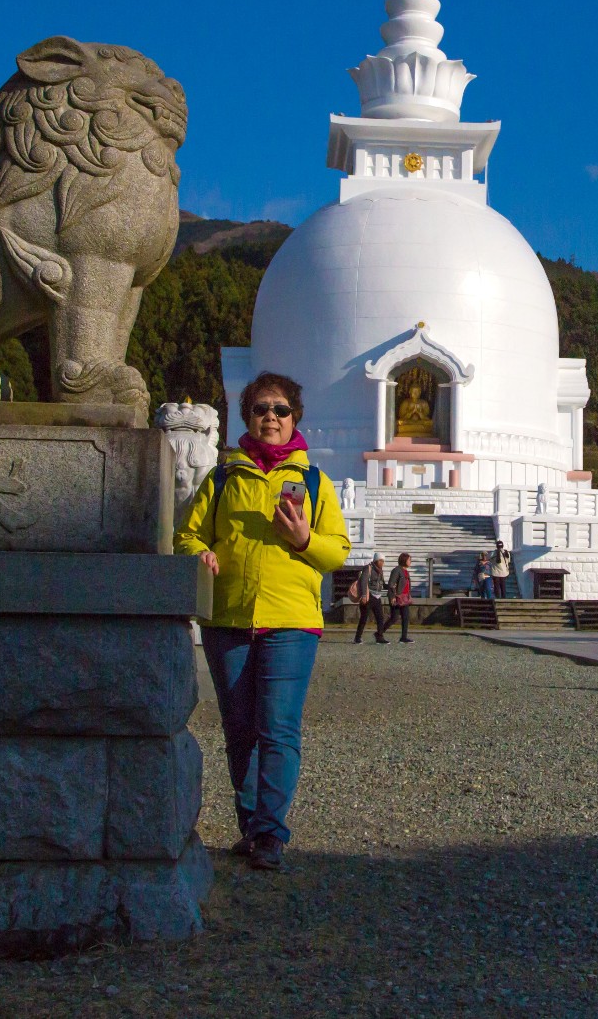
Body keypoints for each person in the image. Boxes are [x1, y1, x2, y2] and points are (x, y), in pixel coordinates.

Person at [177, 372, 351, 871]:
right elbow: (187, 534)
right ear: (246, 416)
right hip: (229, 618)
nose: (270, 417)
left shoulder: (314, 483)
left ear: (295, 418)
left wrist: (302, 539)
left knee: (277, 728)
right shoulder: (223, 477)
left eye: (279, 409)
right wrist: (201, 553)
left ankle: (271, 833)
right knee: (239, 730)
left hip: (291, 620)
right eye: (260, 409)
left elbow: (338, 551)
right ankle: (251, 824)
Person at [352, 552, 388, 644]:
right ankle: (357, 637)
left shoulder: (380, 570)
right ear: (376, 560)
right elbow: (364, 581)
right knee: (364, 618)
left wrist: (390, 586)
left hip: (377, 596)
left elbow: (382, 584)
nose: (382, 563)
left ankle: (379, 637)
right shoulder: (368, 568)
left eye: (383, 561)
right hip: (369, 596)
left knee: (380, 617)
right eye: (381, 561)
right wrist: (364, 595)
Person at [383, 552, 414, 643]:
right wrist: (392, 596)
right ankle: (379, 632)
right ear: (404, 560)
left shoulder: (406, 571)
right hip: (397, 598)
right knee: (394, 617)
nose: (410, 561)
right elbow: (391, 584)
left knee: (405, 617)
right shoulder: (397, 570)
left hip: (405, 598)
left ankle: (403, 637)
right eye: (409, 560)